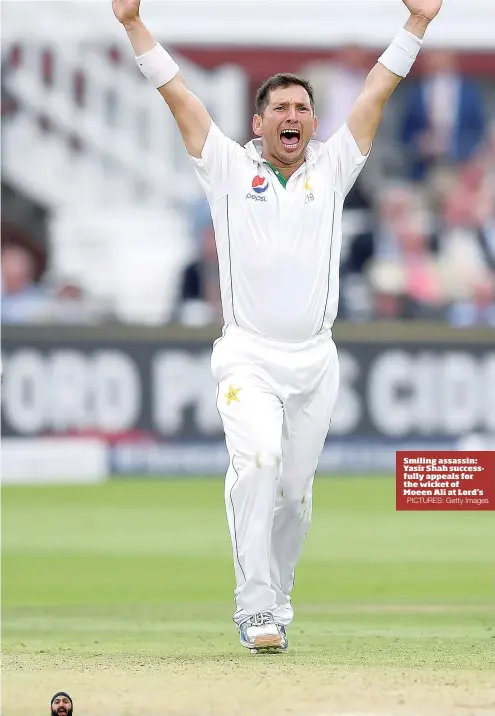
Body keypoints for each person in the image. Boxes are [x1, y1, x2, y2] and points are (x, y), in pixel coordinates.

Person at [113, 0, 443, 653]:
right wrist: (132, 25)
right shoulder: (228, 168)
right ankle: (252, 608)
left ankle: (280, 597)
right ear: (257, 122)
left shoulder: (332, 166)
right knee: (256, 462)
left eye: (302, 109)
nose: (291, 117)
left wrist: (418, 24)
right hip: (247, 357)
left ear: (314, 122)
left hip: (315, 361)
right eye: (279, 109)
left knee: (293, 495)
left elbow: (377, 89)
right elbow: (177, 94)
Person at [400, 50, 486, 181]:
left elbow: (478, 128)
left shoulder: (468, 90)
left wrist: (462, 148)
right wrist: (419, 143)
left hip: (460, 165)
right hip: (423, 168)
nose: (433, 59)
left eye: (439, 54)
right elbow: (405, 131)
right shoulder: (416, 91)